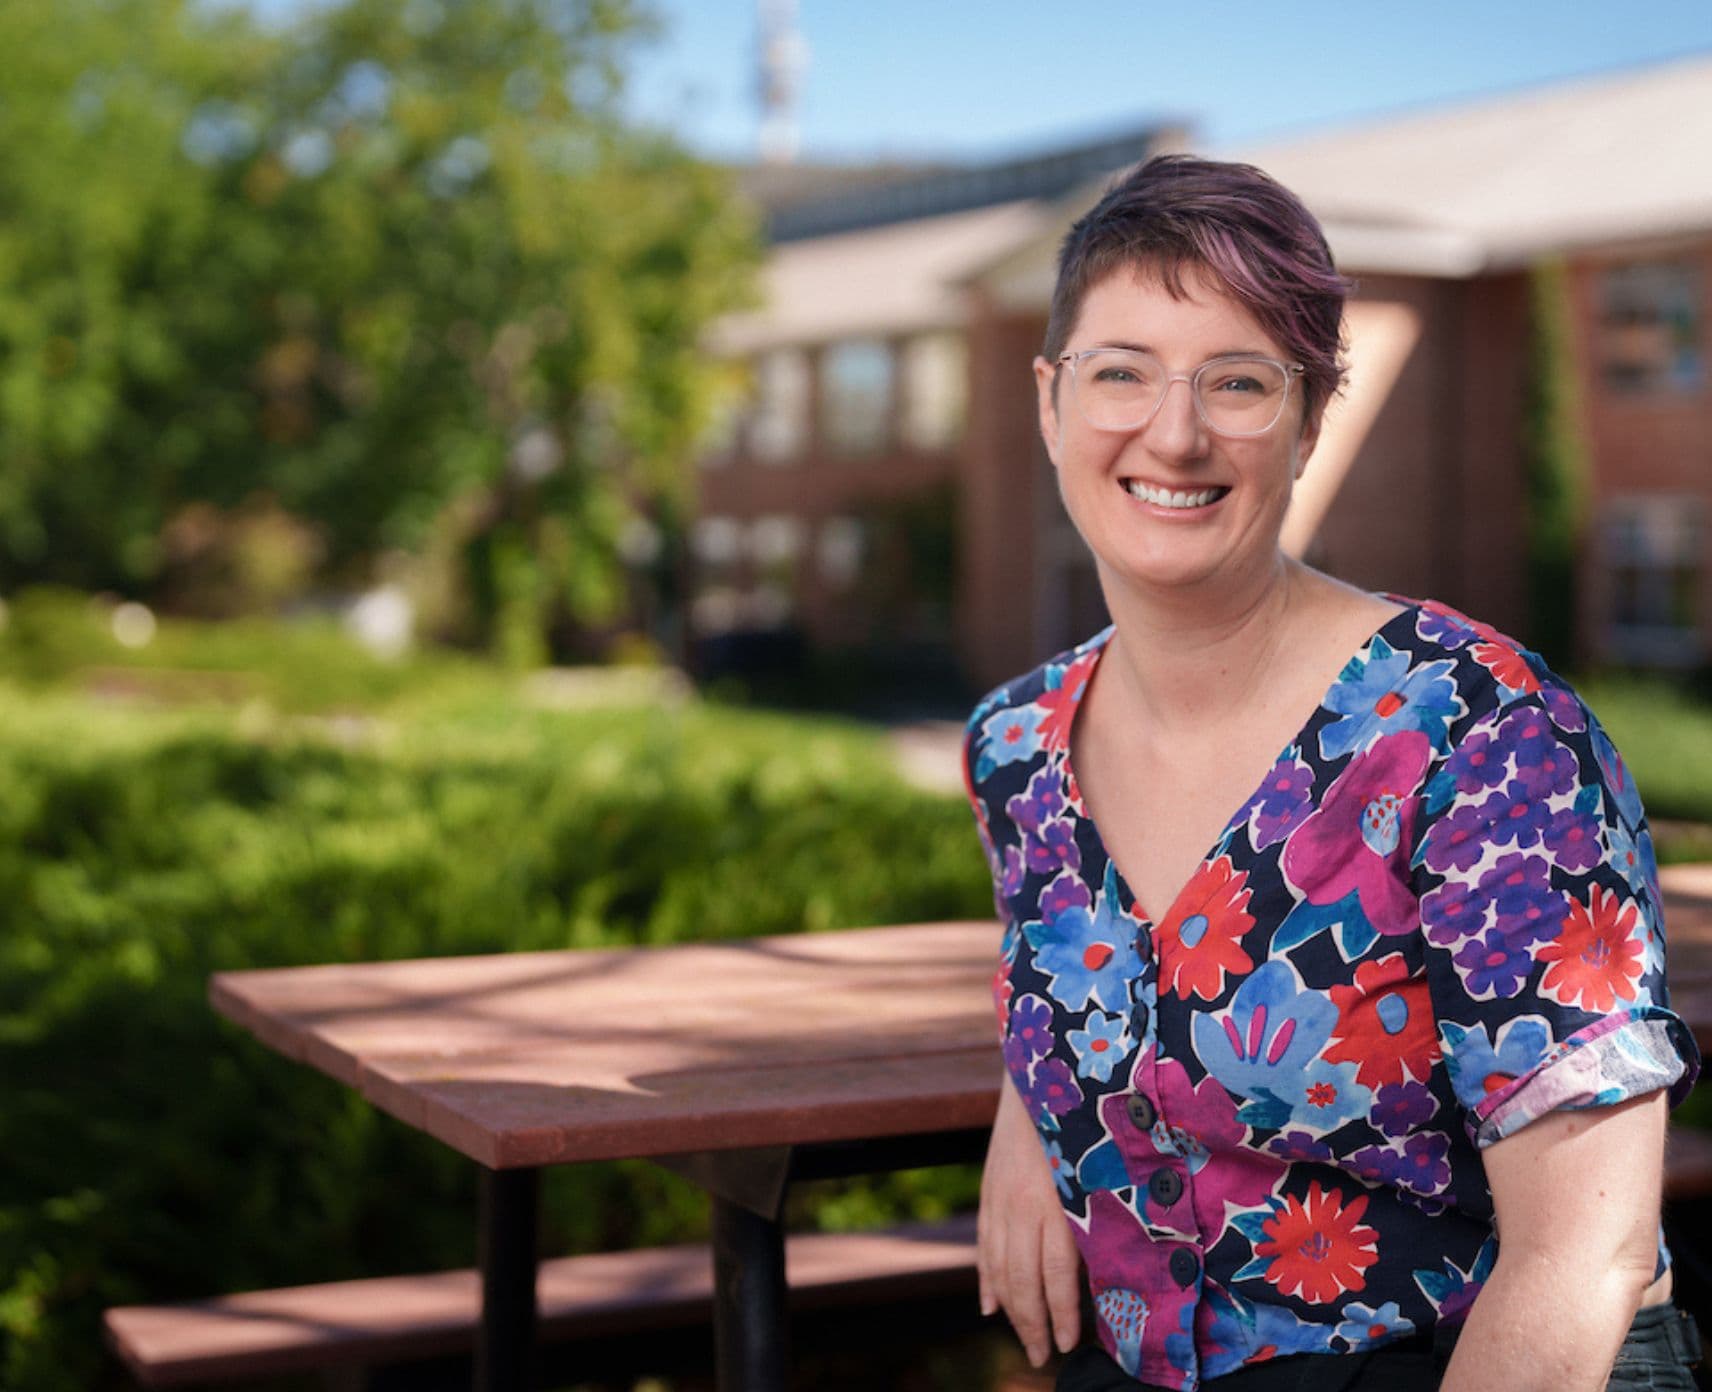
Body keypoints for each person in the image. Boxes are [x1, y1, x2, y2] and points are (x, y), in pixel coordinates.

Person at [961, 154, 1703, 1392]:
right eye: (1119, 373)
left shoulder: (1482, 736)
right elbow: (1101, 969)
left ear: (1311, 419)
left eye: (1238, 383)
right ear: (1049, 403)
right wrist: (1028, 1117)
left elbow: (1586, 1253)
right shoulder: (1016, 745)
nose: (1174, 430)